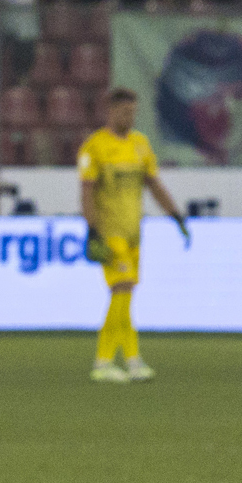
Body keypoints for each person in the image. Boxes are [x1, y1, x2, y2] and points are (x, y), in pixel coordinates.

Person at [80, 87, 189, 384]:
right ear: (111, 111)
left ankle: (132, 361)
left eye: (133, 112)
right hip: (110, 232)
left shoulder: (140, 144)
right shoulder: (95, 147)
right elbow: (87, 192)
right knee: (123, 287)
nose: (130, 117)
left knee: (125, 295)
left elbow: (154, 184)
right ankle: (103, 361)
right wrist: (92, 230)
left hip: (134, 233)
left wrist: (175, 215)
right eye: (125, 111)